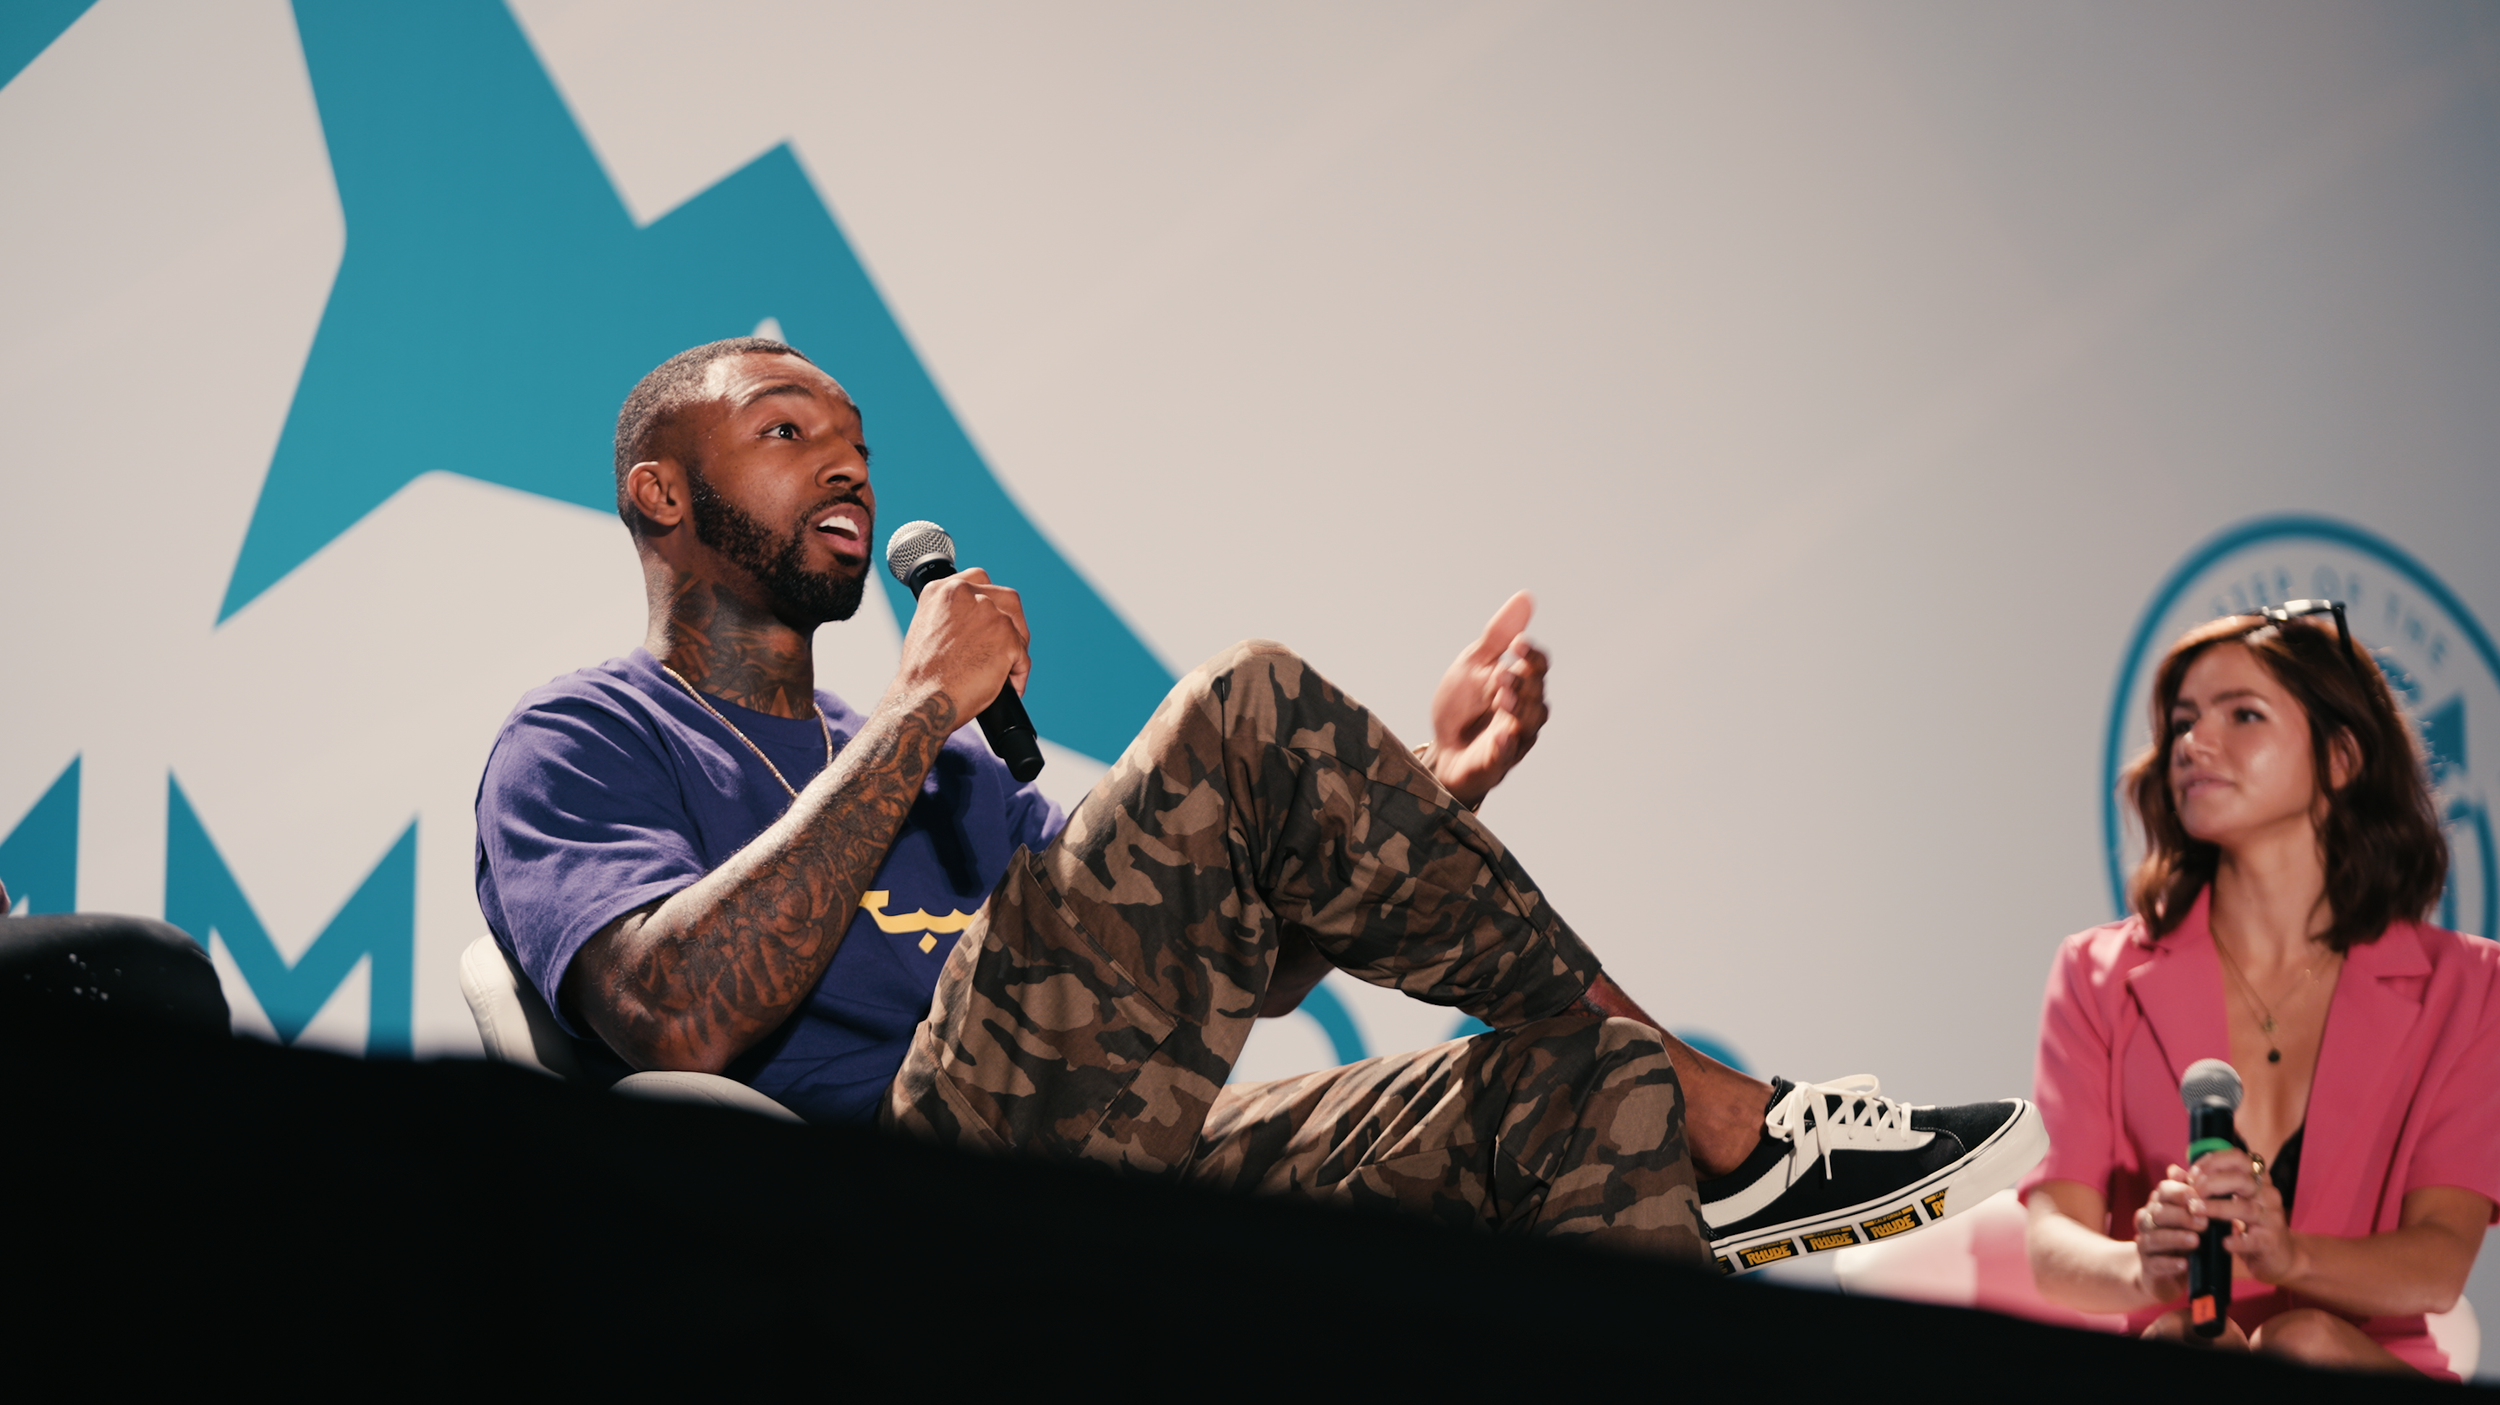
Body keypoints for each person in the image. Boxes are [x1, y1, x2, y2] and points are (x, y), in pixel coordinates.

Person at [475, 336, 2042, 1267]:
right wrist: (909, 715)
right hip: (901, 1204)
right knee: (1247, 700)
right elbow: (671, 1015)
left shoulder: (947, 769)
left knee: (1577, 1088)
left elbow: (1214, 963)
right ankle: (1737, 1123)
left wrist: (1432, 793)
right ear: (659, 496)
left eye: (857, 443)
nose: (847, 467)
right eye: (786, 431)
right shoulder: (581, 741)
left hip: (1110, 1155)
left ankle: (1670, 1100)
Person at [2022, 602, 2500, 1377]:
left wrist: (2290, 1256)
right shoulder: (2094, 971)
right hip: (2172, 1355)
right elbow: (2052, 1245)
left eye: (2243, 714)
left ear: (2341, 758)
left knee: (2301, 1342)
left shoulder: (2471, 985)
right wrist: (2144, 1269)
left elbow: (2439, 1264)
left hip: (2360, 1365)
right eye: (2181, 722)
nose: (2193, 744)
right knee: (2188, 1339)